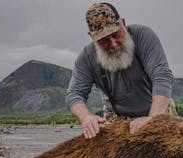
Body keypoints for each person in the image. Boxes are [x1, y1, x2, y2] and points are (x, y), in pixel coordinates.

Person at [65, 3, 174, 139]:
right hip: (117, 117)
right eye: (104, 40)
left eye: (116, 34)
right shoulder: (86, 58)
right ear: (92, 37)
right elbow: (74, 94)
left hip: (157, 110)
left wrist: (153, 118)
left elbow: (161, 75)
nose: (113, 44)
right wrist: (86, 116)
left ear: (123, 23)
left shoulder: (143, 35)